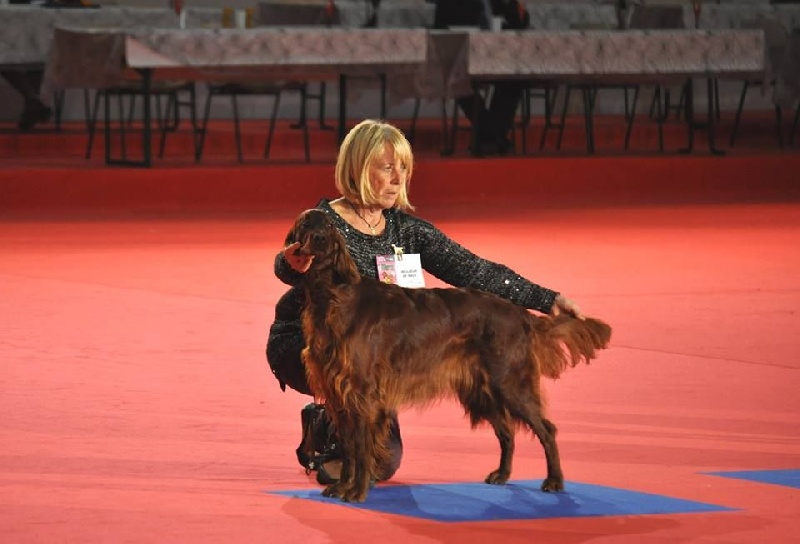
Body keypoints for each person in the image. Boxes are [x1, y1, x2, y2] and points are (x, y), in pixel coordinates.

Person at [266, 119, 584, 485]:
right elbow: (288, 264)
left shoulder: (408, 230)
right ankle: (333, 417)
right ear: (358, 168)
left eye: (404, 168)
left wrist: (548, 299)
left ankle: (341, 419)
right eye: (388, 168)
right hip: (308, 344)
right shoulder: (324, 221)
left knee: (385, 463)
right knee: (352, 389)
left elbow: (475, 271)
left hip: (374, 354)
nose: (399, 178)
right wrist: (293, 263)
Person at [433, 0, 531, 156]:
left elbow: (517, 25)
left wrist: (516, 9)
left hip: (495, 57)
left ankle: (488, 138)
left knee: (515, 79)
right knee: (459, 81)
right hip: (458, 57)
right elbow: (444, 27)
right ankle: (491, 137)